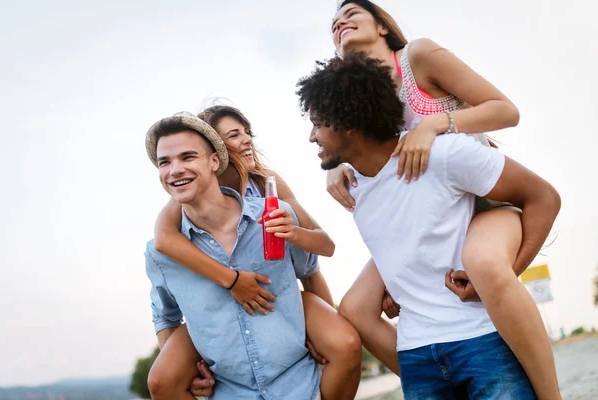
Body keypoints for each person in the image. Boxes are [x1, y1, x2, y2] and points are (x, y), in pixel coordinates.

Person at [325, 1, 561, 398]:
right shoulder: (363, 96)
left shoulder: (418, 56)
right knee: (355, 307)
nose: (340, 22)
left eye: (351, 12)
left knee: (484, 264)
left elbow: (506, 110)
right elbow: (349, 140)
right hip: (423, 215)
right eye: (333, 23)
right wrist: (335, 163)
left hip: (482, 202)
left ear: (383, 26)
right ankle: (439, 379)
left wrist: (437, 123)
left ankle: (549, 393)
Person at [145, 111, 362, 400]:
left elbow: (314, 262)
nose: (174, 170)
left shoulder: (270, 197)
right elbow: (165, 309)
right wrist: (192, 371)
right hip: (228, 385)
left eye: (187, 157)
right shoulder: (167, 235)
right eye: (164, 162)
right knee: (160, 380)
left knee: (344, 341)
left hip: (296, 379)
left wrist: (319, 332)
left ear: (214, 159)